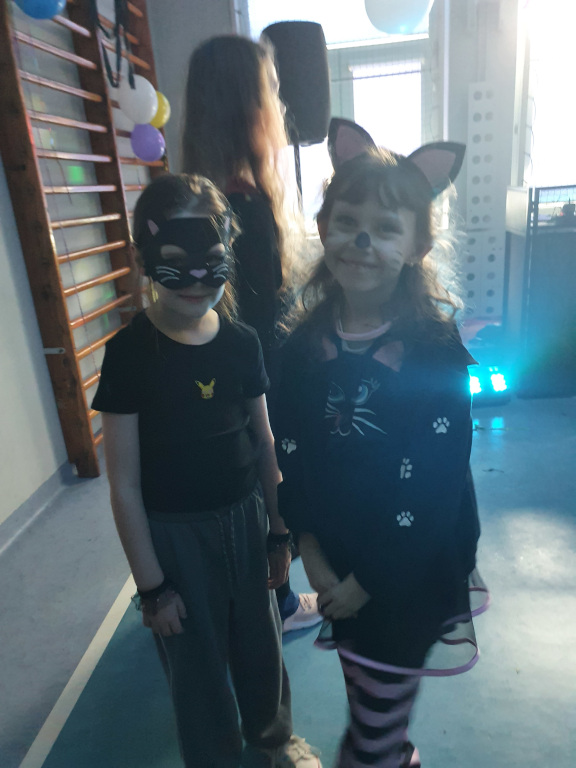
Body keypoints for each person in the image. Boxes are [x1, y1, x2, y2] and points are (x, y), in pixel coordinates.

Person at [274, 120, 488, 768]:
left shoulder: (433, 350)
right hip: (337, 560)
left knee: (369, 732)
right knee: (369, 699)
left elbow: (436, 483)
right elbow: (292, 451)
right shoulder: (304, 346)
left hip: (407, 573)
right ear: (324, 227)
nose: (362, 240)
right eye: (348, 221)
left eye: (386, 228)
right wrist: (311, 548)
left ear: (418, 244)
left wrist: (370, 580)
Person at [92, 174, 321, 768]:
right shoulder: (129, 356)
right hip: (175, 539)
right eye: (176, 263)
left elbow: (264, 442)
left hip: (246, 522)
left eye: (211, 261)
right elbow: (124, 485)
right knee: (194, 666)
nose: (197, 280)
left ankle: (273, 741)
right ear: (145, 259)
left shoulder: (242, 343)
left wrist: (279, 533)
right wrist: (152, 588)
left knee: (262, 649)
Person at [181, 34, 321, 634]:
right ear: (251, 106)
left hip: (214, 376)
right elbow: (263, 321)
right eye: (272, 92)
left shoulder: (197, 198)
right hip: (257, 381)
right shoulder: (246, 206)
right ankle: (279, 601)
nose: (280, 106)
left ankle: (259, 593)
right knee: (270, 483)